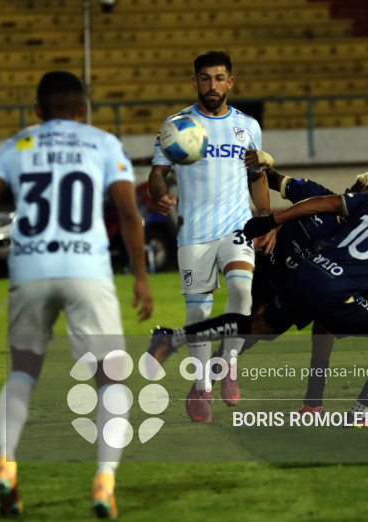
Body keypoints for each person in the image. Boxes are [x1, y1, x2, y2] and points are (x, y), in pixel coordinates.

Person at [0, 71, 153, 519]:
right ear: (83, 110)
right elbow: (127, 210)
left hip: (30, 268)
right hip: (87, 270)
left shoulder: (16, 145)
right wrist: (140, 276)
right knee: (111, 380)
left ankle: (6, 463)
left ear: (38, 111)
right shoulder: (102, 143)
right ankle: (104, 481)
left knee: (23, 370)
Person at [149, 168, 368, 422]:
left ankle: (175, 337)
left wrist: (272, 220)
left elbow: (323, 203)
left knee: (256, 327)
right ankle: (361, 412)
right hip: (331, 290)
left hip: (307, 274)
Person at [147, 51, 272, 423]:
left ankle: (228, 364)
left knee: (242, 291)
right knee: (199, 312)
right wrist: (160, 193)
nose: (212, 85)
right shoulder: (176, 125)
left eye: (219, 78)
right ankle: (201, 386)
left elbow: (258, 175)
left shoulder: (248, 126)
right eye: (205, 78)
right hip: (195, 233)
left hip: (237, 227)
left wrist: (264, 217)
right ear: (194, 82)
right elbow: (156, 175)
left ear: (230, 82)